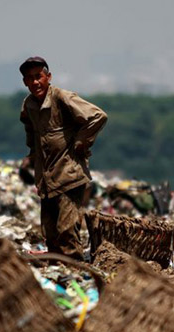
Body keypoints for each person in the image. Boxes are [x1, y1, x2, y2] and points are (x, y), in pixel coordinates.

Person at [19, 56, 107, 260]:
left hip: (69, 175)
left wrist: (81, 142)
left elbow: (97, 116)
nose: (35, 82)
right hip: (46, 179)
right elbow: (30, 129)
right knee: (50, 234)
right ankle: (59, 273)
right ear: (24, 82)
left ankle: (76, 272)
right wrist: (32, 154)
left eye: (39, 77)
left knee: (66, 231)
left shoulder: (62, 98)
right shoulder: (29, 105)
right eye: (29, 78)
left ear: (48, 77)